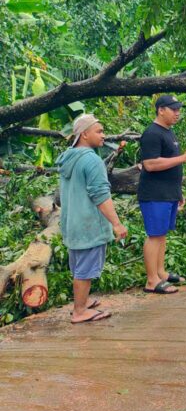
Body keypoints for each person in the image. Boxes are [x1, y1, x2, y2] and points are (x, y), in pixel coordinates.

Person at [56, 114, 128, 323]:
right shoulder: (92, 160)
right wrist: (116, 223)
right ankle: (80, 311)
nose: (103, 135)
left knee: (79, 267)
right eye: (99, 131)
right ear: (84, 134)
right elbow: (100, 195)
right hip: (88, 224)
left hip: (72, 223)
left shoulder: (68, 157)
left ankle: (82, 303)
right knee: (85, 270)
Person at [138, 95, 186, 294]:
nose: (177, 113)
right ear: (161, 110)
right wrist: (184, 157)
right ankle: (151, 281)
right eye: (173, 109)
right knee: (154, 235)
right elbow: (150, 164)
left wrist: (178, 191)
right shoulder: (152, 133)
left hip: (168, 193)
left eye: (178, 109)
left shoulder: (169, 133)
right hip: (154, 194)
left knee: (162, 235)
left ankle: (161, 273)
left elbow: (171, 164)